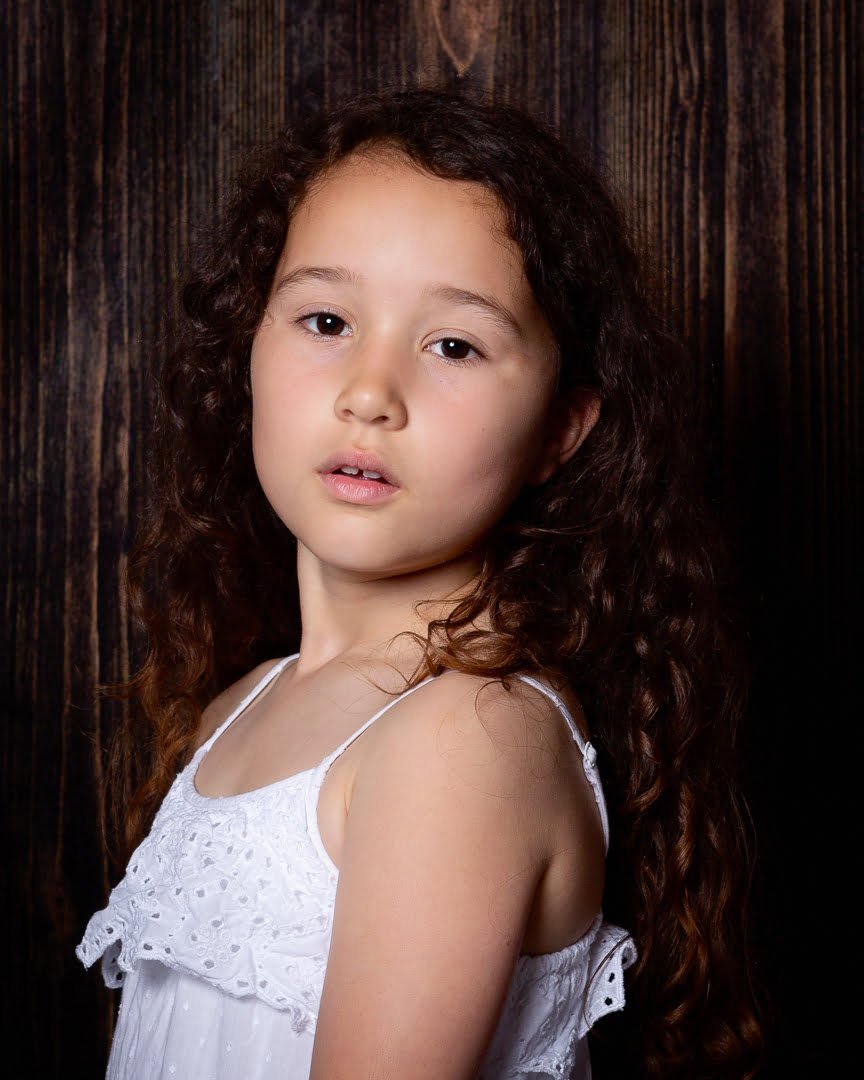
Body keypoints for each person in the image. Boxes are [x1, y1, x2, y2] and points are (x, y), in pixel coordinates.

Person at [77, 86, 763, 1079]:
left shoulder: (465, 737)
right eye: (324, 319)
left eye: (454, 345)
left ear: (559, 433)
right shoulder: (245, 707)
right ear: (250, 346)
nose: (369, 392)